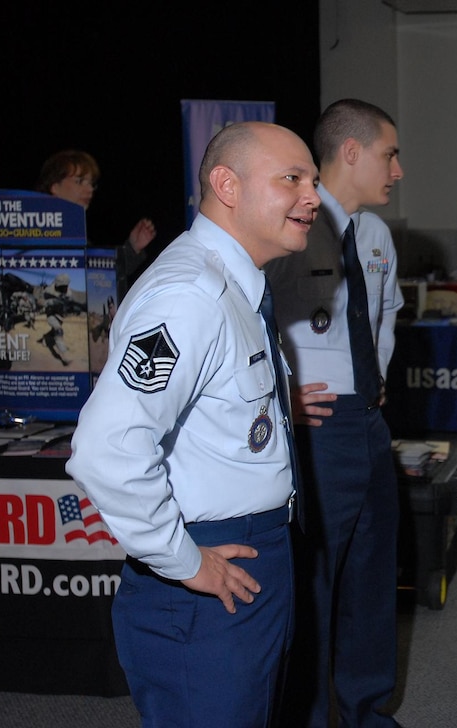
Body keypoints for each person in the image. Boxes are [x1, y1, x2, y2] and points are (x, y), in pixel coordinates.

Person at [65, 121, 321, 727]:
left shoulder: (234, 285)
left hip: (258, 554)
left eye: (313, 180)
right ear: (226, 185)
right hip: (209, 574)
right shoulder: (189, 294)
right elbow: (107, 449)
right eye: (293, 179)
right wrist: (183, 559)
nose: (313, 196)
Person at [266, 98, 405, 728]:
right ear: (351, 152)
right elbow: (247, 318)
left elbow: (386, 312)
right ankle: (310, 717)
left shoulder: (374, 234)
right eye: (390, 154)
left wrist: (376, 380)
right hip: (316, 428)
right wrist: (278, 392)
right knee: (315, 585)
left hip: (369, 421)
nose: (398, 171)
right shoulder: (287, 225)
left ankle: (367, 711)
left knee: (374, 579)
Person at [37, 149, 158, 294]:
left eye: (92, 184)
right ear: (55, 186)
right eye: (80, 181)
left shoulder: (78, 236)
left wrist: (132, 248)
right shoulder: (29, 232)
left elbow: (101, 276)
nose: (89, 189)